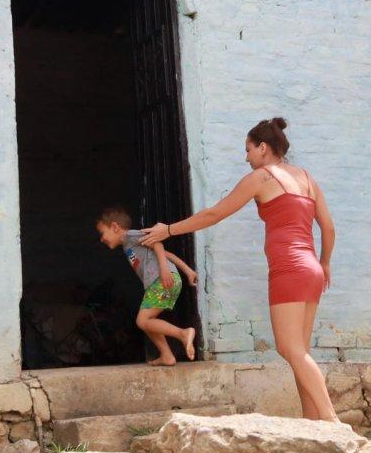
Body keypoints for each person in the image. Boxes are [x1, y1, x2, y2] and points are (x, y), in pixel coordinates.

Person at [139, 117, 338, 421]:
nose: (245, 157)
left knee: (290, 350)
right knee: (301, 353)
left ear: (262, 147)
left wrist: (169, 229)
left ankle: (332, 420)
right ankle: (314, 423)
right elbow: (328, 227)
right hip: (311, 270)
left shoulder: (262, 177)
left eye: (247, 150)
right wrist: (323, 263)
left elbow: (214, 214)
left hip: (288, 270)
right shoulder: (307, 178)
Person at [96, 206, 197, 366]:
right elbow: (167, 254)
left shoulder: (130, 235)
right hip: (162, 281)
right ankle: (166, 355)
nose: (101, 239)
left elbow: (157, 244)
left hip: (162, 280)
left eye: (102, 233)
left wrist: (164, 269)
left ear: (115, 227)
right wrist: (188, 270)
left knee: (142, 321)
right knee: (148, 321)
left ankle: (183, 334)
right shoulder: (128, 245)